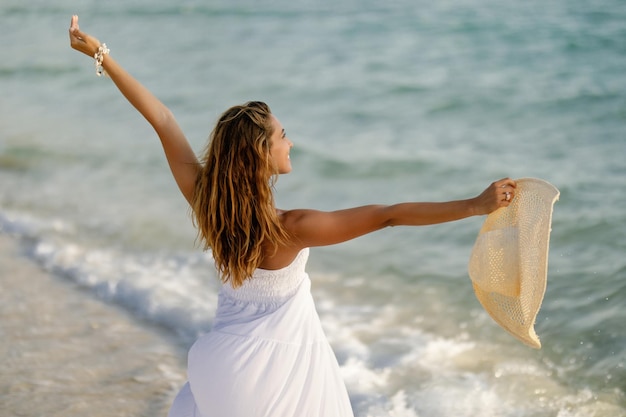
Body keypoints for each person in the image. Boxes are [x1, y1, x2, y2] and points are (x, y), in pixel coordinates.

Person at [69, 15, 516, 417]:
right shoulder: (292, 228)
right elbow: (388, 216)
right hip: (276, 371)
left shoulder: (210, 206)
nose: (291, 142)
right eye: (283, 135)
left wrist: (102, 54)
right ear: (262, 153)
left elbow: (163, 120)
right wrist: (475, 205)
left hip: (220, 366)